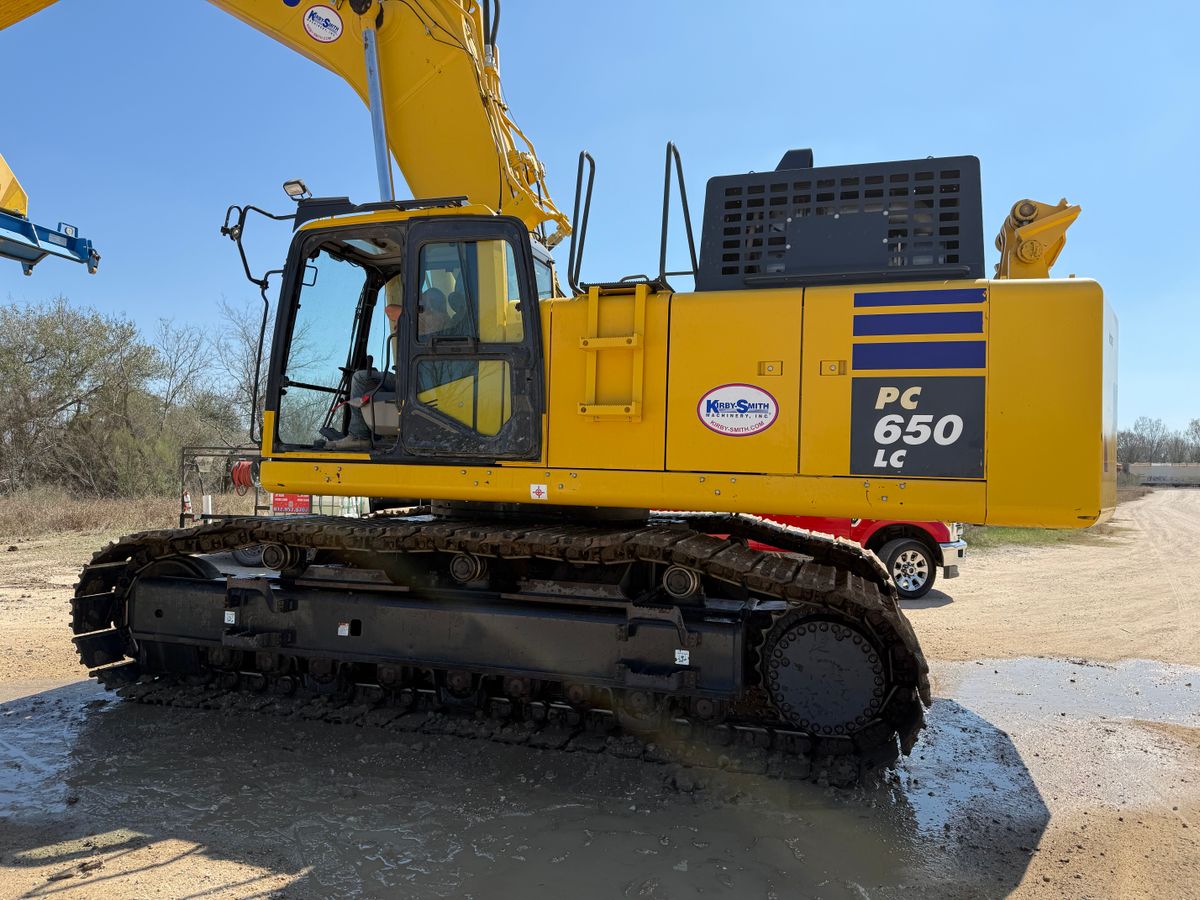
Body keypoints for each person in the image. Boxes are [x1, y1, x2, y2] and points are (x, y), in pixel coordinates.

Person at [325, 289, 451, 450]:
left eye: (423, 303)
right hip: (425, 380)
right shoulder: (446, 321)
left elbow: (390, 310)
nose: (420, 306)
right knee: (376, 380)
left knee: (360, 378)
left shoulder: (433, 319)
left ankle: (358, 436)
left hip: (418, 383)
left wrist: (414, 298)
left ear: (430, 305)